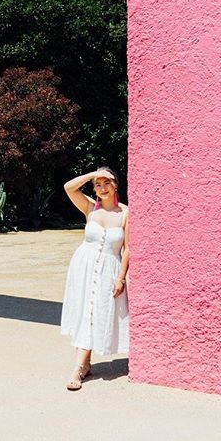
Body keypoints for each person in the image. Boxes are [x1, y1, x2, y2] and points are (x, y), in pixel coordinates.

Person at [60, 166, 129, 390]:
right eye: (98, 185)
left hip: (109, 269)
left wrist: (121, 278)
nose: (102, 188)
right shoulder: (90, 207)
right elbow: (68, 187)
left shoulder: (125, 213)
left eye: (107, 183)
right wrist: (93, 174)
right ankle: (79, 368)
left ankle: (85, 364)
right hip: (84, 267)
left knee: (97, 314)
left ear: (115, 184)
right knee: (84, 312)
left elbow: (128, 249)